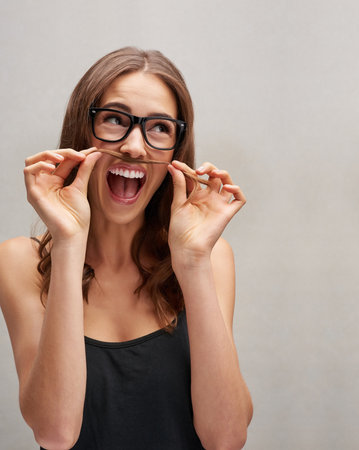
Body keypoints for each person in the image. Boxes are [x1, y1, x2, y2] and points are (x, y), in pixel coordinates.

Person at [0, 47, 253, 450]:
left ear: (175, 153)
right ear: (83, 133)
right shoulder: (19, 262)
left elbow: (226, 437)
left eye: (159, 128)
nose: (135, 146)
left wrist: (192, 262)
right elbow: (55, 432)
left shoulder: (212, 258)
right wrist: (67, 241)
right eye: (115, 119)